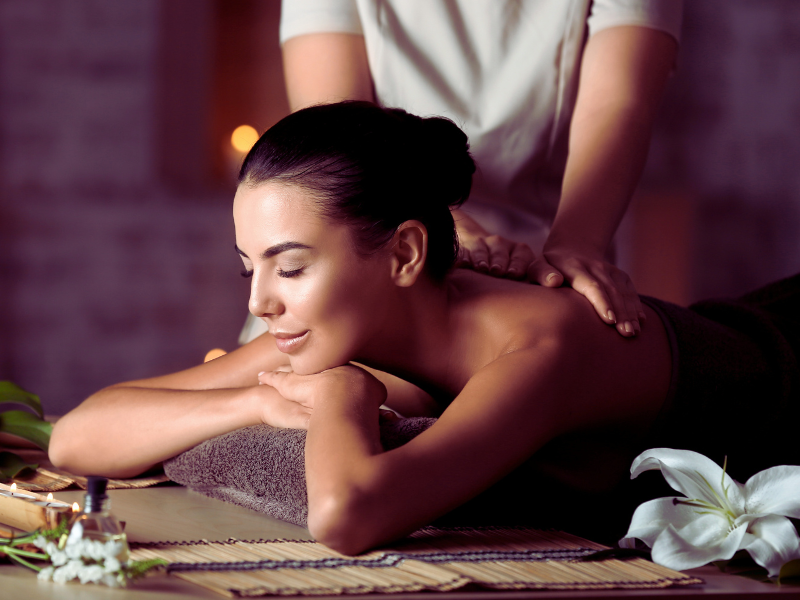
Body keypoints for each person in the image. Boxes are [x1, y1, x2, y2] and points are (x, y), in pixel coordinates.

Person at [49, 103, 799, 554]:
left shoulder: (539, 345)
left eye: (291, 265)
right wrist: (255, 403)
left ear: (403, 252)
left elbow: (347, 516)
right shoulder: (341, 318)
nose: (263, 300)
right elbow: (78, 436)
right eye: (249, 265)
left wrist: (340, 394)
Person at [272, 0, 683, 340]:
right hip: (380, 243)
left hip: (551, 266)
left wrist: (577, 245)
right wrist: (443, 226)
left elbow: (617, 103)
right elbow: (335, 129)